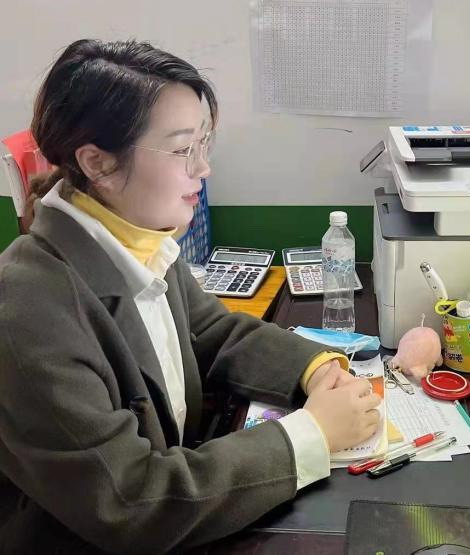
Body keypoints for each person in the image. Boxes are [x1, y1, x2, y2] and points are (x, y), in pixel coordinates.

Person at [0, 39, 382, 554]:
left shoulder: (140, 240)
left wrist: (315, 369)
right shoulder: (28, 312)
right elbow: (131, 501)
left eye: (204, 143)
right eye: (183, 149)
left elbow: (213, 331)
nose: (203, 168)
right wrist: (311, 435)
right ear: (97, 163)